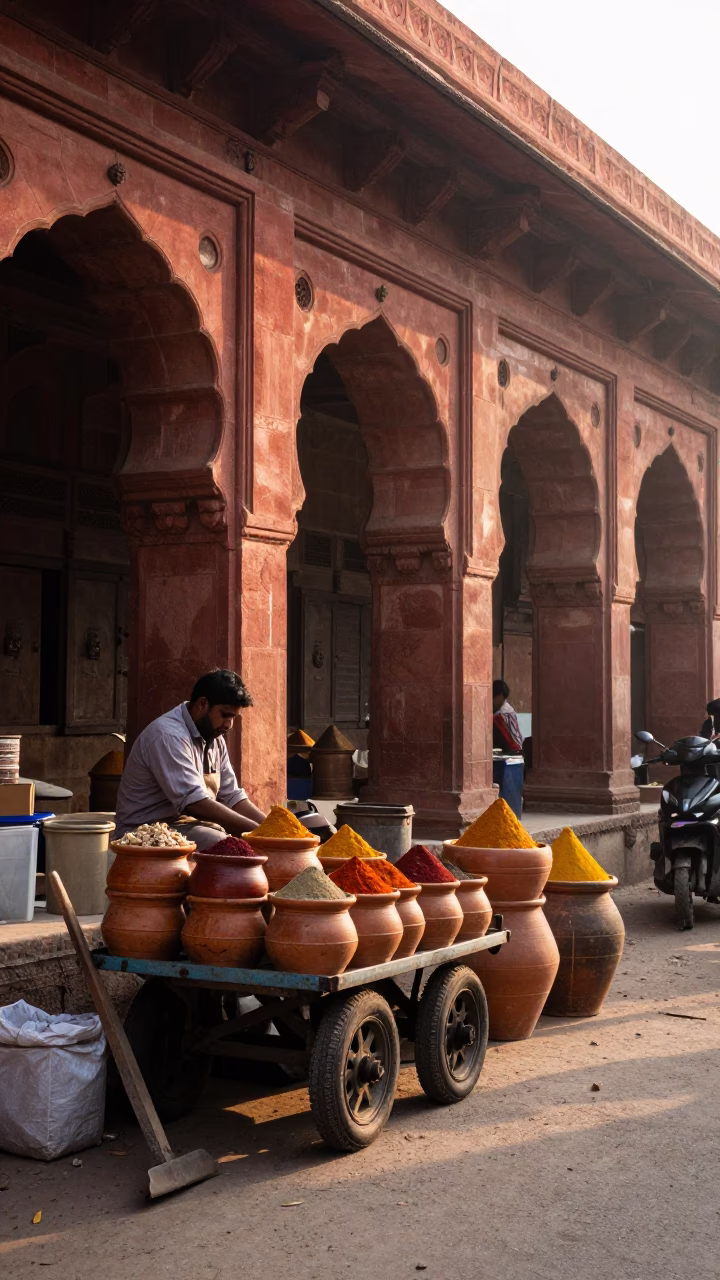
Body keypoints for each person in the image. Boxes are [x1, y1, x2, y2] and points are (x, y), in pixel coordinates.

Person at [114, 669, 266, 849]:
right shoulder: (168, 735)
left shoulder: (215, 737)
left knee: (235, 839)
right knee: (224, 844)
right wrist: (258, 833)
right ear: (203, 704)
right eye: (225, 715)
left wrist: (271, 827)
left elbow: (233, 797)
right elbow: (195, 804)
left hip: (185, 826)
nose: (229, 725)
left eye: (233, 718)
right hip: (142, 833)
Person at [492, 679, 524, 754]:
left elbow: (512, 744)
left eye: (493, 697)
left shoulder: (501, 716)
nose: (491, 701)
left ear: (500, 696)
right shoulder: (509, 711)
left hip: (513, 753)